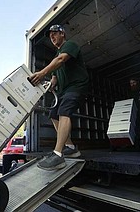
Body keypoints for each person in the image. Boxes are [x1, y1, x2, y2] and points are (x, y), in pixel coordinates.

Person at [29, 24, 89, 171]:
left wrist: (42, 73)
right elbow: (56, 74)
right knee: (53, 114)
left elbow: (61, 60)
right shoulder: (56, 56)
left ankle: (58, 154)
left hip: (77, 86)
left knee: (64, 111)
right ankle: (70, 147)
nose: (52, 37)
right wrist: (51, 83)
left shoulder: (70, 45)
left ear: (63, 33)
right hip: (64, 90)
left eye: (54, 33)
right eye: (50, 36)